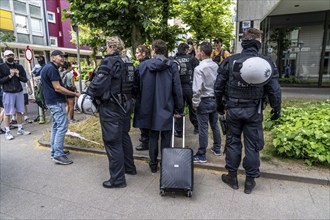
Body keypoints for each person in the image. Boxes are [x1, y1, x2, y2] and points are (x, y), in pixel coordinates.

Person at [214, 28, 282, 194]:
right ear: (259, 43)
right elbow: (274, 90)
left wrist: (220, 107)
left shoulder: (231, 61)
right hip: (254, 110)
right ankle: (250, 181)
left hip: (234, 109)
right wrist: (276, 109)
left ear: (243, 42)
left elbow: (218, 88)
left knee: (232, 142)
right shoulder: (266, 62)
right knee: (252, 145)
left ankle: (232, 177)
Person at [86, 36, 136, 188]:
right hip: (126, 105)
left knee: (112, 142)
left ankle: (117, 180)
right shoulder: (128, 62)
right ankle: (129, 168)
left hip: (111, 107)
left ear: (110, 47)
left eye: (106, 46)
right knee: (123, 136)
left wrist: (88, 92)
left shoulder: (109, 61)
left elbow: (99, 85)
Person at [133, 39, 183, 173]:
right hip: (166, 106)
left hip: (148, 107)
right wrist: (179, 109)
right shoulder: (171, 65)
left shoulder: (142, 66)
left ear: (153, 50)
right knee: (166, 136)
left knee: (153, 135)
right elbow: (177, 88)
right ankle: (165, 164)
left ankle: (153, 164)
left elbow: (135, 88)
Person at [41, 50, 80, 165]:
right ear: (53, 58)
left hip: (52, 101)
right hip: (56, 102)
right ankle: (58, 154)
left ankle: (55, 151)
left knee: (56, 127)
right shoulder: (52, 69)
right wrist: (74, 94)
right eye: (60, 56)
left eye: (64, 57)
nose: (63, 58)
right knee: (62, 127)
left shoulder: (48, 67)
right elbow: (57, 88)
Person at [192, 42, 222, 163]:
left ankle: (201, 154)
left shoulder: (199, 68)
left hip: (204, 100)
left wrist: (195, 103)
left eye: (198, 51)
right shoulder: (216, 66)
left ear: (202, 53)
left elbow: (197, 88)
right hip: (214, 99)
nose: (197, 53)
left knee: (203, 127)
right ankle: (217, 148)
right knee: (214, 124)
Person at [0, 50, 31, 140]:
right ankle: (7, 131)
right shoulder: (1, 67)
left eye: (12, 55)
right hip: (8, 92)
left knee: (19, 111)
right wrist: (9, 76)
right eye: (8, 55)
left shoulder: (19, 67)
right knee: (7, 112)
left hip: (19, 91)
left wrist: (18, 75)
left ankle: (20, 128)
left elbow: (25, 79)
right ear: (5, 56)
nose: (10, 57)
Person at [173, 43, 199, 138]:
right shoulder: (192, 58)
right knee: (193, 108)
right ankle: (197, 127)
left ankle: (179, 131)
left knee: (179, 109)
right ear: (186, 50)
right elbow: (198, 69)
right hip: (189, 86)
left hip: (178, 87)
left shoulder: (174, 59)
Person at [134, 45, 151, 151]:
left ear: (144, 53)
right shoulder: (153, 64)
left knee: (143, 121)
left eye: (137, 52)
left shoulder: (140, 67)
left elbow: (136, 85)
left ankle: (145, 142)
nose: (136, 55)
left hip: (142, 96)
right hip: (152, 96)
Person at [13, 57, 33, 123]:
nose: (16, 62)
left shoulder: (22, 69)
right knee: (14, 105)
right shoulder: (10, 70)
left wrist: (30, 88)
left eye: (17, 60)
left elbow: (27, 80)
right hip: (14, 90)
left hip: (23, 90)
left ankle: (26, 116)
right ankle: (14, 118)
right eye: (15, 60)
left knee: (24, 103)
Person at [31, 55, 46, 124]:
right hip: (37, 85)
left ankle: (42, 114)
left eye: (40, 58)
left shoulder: (46, 66)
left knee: (44, 99)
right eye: (38, 59)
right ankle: (40, 115)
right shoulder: (36, 67)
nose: (39, 60)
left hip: (45, 85)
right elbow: (33, 75)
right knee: (39, 99)